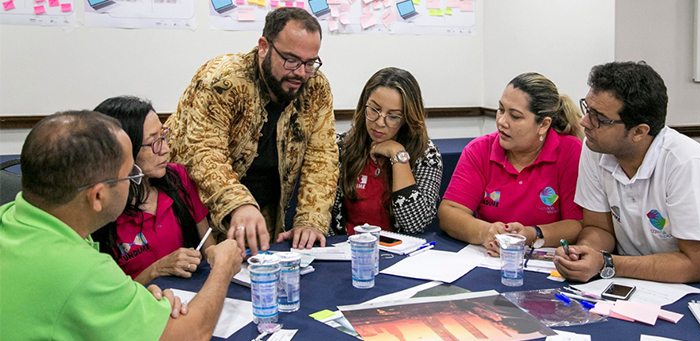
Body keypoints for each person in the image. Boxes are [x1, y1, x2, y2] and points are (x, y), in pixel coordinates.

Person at [0, 111, 242, 340]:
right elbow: (191, 333)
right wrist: (223, 267)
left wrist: (130, 304)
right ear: (98, 197)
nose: (136, 183)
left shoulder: (11, 216)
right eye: (130, 175)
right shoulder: (83, 272)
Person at [166, 7, 338, 258]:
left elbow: (322, 157)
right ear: (264, 47)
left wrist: (311, 219)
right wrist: (239, 203)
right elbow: (204, 152)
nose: (301, 73)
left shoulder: (316, 87)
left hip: (262, 214)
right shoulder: (223, 80)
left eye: (310, 63)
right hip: (196, 216)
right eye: (291, 60)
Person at [553, 61, 700, 290]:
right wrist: (586, 252)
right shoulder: (596, 149)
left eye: (599, 117)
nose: (584, 122)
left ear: (639, 131)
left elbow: (695, 265)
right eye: (587, 109)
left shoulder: (688, 164)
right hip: (635, 283)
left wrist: (608, 263)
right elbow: (599, 228)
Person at [438, 72, 584, 256]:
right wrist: (485, 232)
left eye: (515, 116)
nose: (501, 121)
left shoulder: (570, 152)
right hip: (488, 259)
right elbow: (449, 212)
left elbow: (578, 224)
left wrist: (533, 234)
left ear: (544, 124)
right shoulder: (479, 150)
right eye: (501, 110)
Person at [91, 96, 216, 285]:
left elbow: (208, 246)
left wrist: (219, 256)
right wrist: (156, 270)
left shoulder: (178, 178)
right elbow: (107, 299)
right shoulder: (103, 208)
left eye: (163, 136)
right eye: (152, 142)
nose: (165, 149)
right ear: (124, 150)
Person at [326, 67, 443, 235]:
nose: (380, 122)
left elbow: (415, 224)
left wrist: (398, 155)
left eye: (393, 116)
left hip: (399, 252)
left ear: (407, 119)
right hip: (347, 248)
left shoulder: (427, 155)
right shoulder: (339, 146)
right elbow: (323, 216)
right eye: (374, 110)